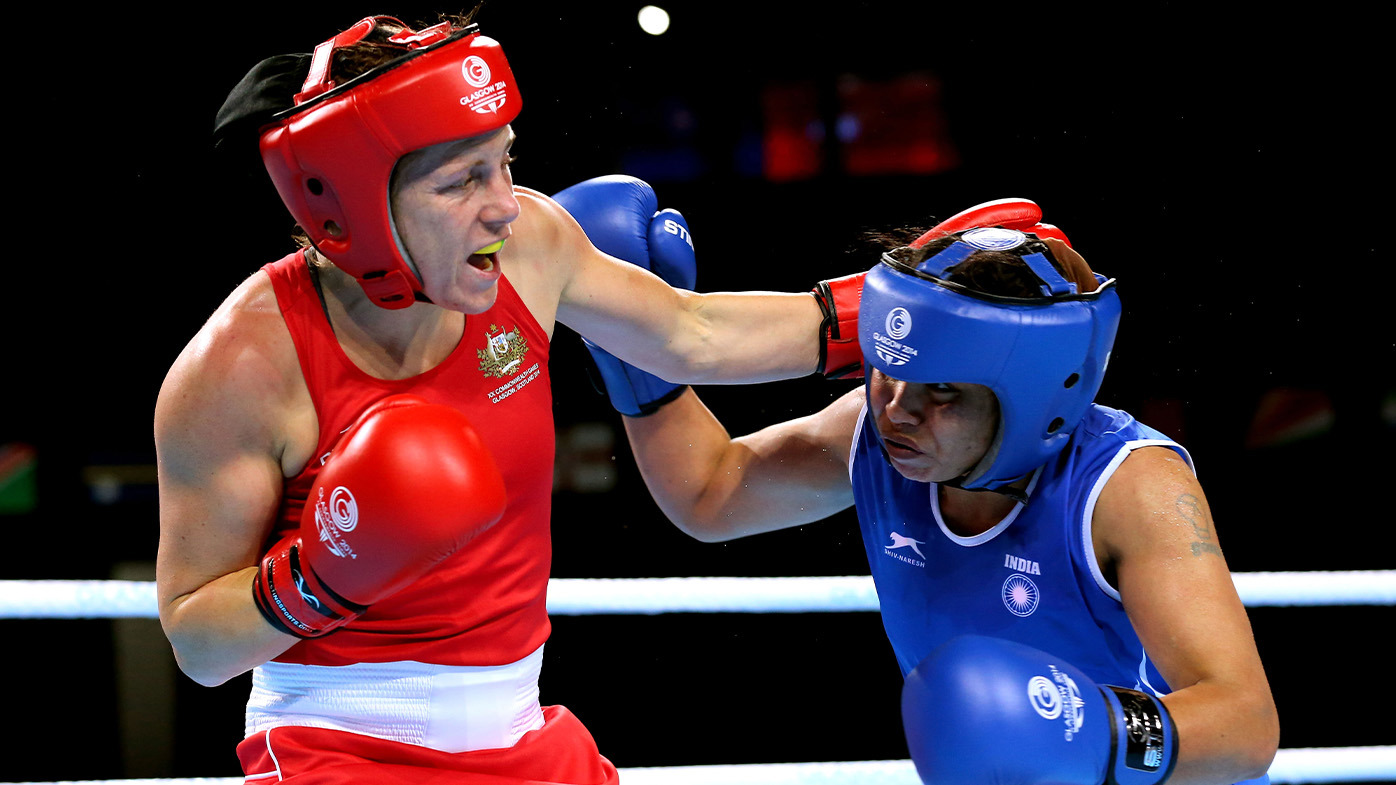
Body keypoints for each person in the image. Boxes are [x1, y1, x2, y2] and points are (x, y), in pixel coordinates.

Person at [154, 13, 856, 784]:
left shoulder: (530, 251)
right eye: (462, 180)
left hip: (526, 737)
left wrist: (896, 311)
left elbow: (697, 332)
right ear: (349, 203)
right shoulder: (243, 366)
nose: (505, 206)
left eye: (504, 164)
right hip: (338, 749)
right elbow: (197, 645)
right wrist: (322, 576)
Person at [584, 197, 1280, 785]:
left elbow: (1245, 721)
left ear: (1035, 398)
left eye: (941, 389)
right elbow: (711, 493)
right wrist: (629, 350)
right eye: (888, 372)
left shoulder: (1127, 486)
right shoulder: (879, 430)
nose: (897, 410)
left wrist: (1086, 729)